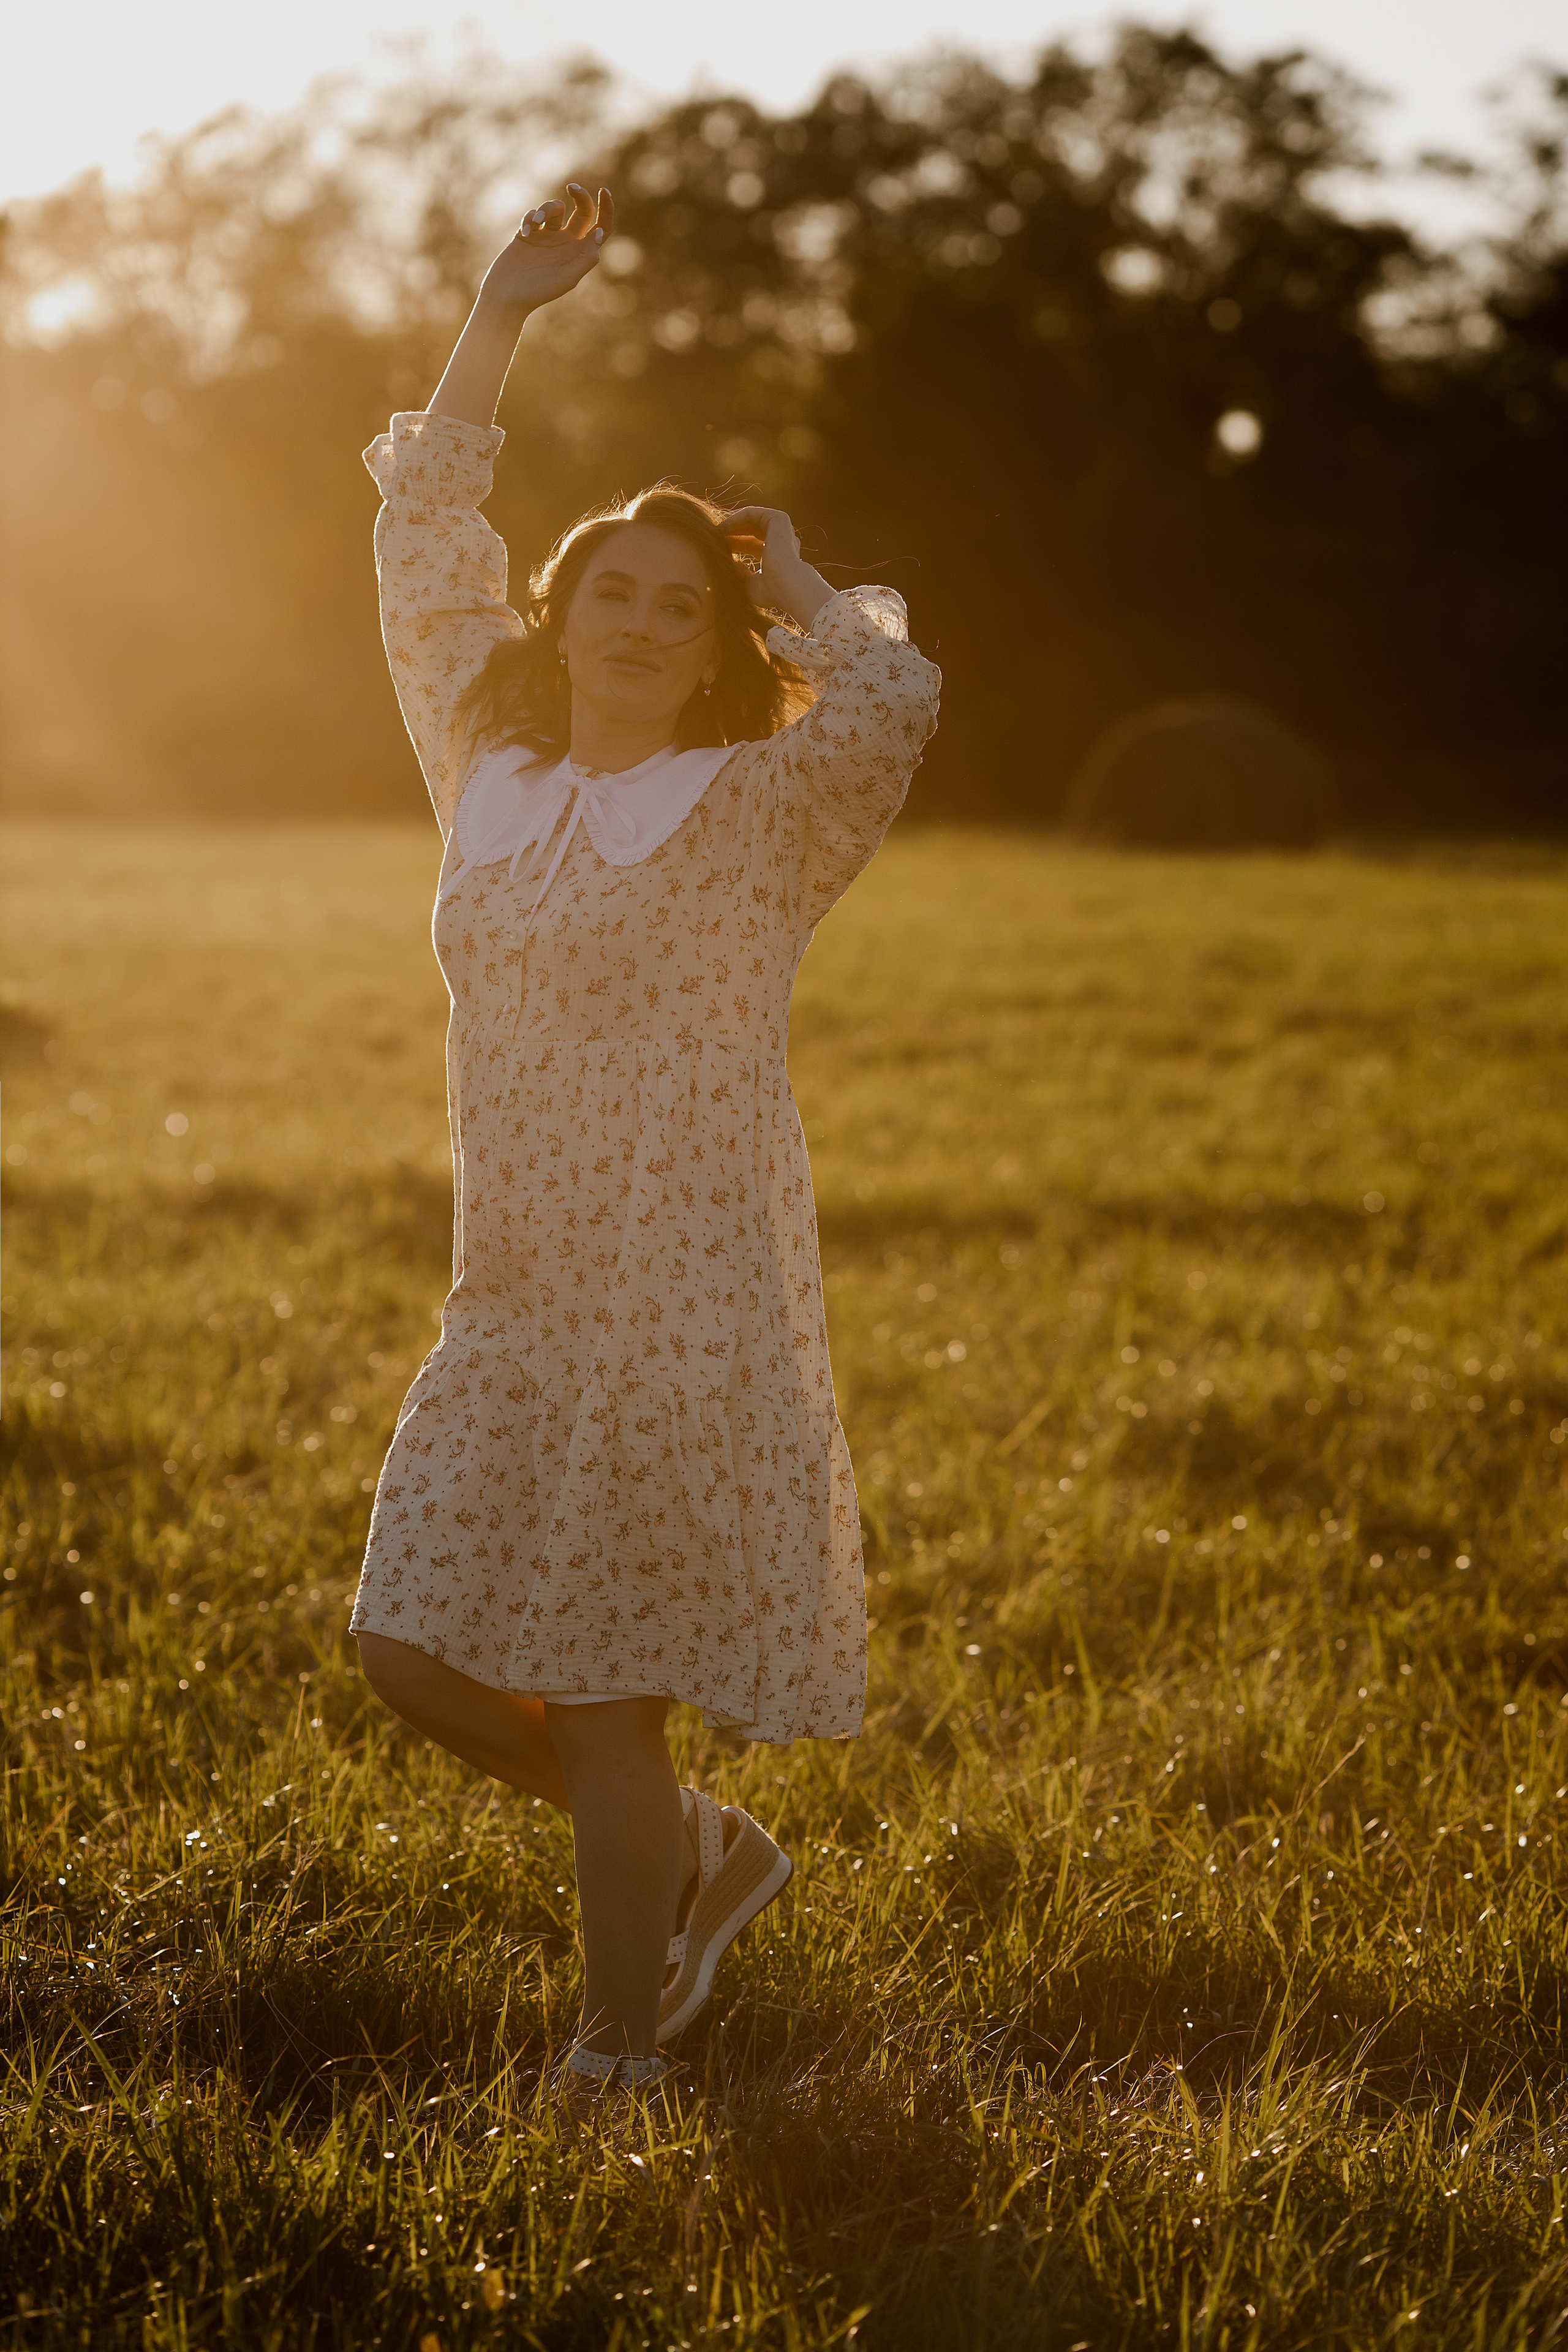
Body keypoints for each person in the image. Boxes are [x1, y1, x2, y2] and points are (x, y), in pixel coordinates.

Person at [350, 182, 940, 2110]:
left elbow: (894, 702)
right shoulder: (489, 776)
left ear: (708, 650)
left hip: (678, 1300)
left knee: (601, 1695)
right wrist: (499, 314)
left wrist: (807, 587)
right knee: (409, 1652)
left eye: (679, 608)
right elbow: (428, 524)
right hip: (512, 1286)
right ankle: (692, 1851)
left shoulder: (757, 813)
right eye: (612, 586)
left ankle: (619, 2057)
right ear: (566, 613)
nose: (637, 618)